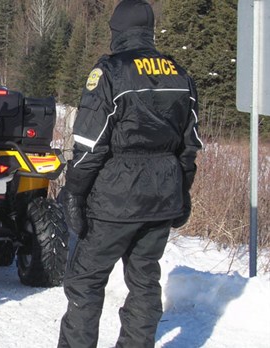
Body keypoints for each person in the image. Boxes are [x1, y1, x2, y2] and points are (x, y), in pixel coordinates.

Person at [57, 1, 203, 347]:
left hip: (115, 198)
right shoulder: (179, 74)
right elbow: (189, 145)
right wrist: (183, 192)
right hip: (162, 197)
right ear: (149, 30)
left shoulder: (110, 71)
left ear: (117, 30)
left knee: (86, 282)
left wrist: (74, 192)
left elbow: (90, 146)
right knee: (144, 280)